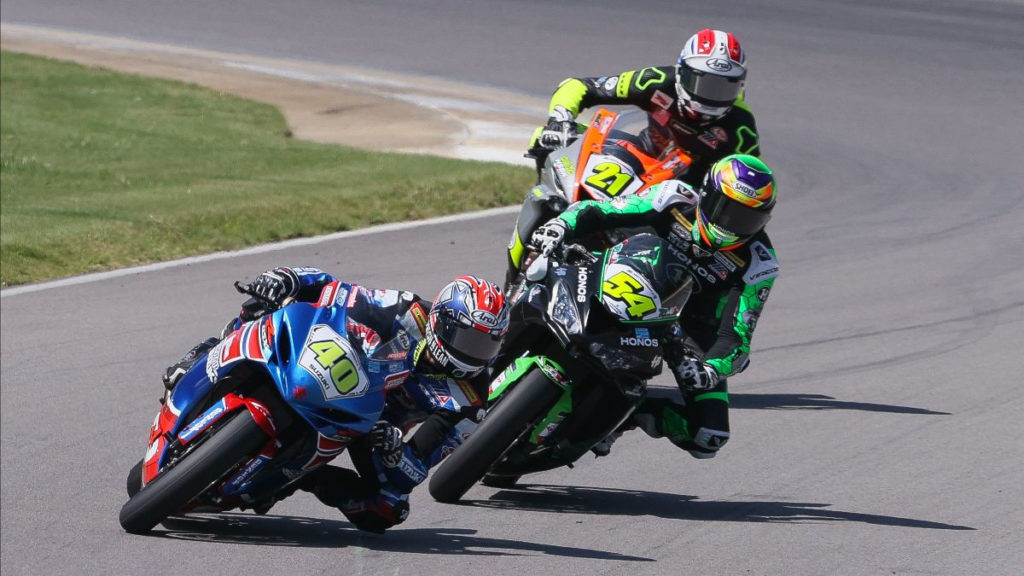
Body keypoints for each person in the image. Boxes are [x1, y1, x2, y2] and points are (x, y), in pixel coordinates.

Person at [162, 267, 509, 533]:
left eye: (486, 346)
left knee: (388, 509)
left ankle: (300, 477)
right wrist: (286, 278)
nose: (474, 354)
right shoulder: (406, 309)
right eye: (467, 338)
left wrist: (394, 452)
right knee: (267, 304)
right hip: (335, 369)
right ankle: (203, 354)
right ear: (442, 321)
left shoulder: (471, 398)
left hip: (373, 426)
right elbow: (335, 289)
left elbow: (417, 467)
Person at [527, 154, 778, 459]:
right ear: (707, 194)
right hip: (618, 275)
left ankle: (623, 416)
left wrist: (710, 370)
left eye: (748, 219)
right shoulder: (672, 198)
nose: (733, 225)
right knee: (539, 261)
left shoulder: (759, 261)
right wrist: (561, 226)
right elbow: (600, 210)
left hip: (683, 328)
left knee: (708, 437)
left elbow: (737, 337)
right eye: (728, 211)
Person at [531, 28, 759, 187]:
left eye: (722, 88)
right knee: (544, 137)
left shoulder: (741, 127)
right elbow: (579, 86)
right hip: (641, 152)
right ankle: (551, 200)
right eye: (704, 84)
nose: (711, 98)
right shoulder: (655, 81)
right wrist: (559, 120)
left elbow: (750, 183)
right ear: (682, 73)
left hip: (686, 188)